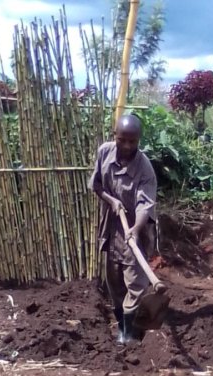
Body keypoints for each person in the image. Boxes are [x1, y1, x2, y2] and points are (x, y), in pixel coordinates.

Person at [89, 114, 157, 344]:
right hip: (112, 225)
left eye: (133, 142)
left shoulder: (144, 168)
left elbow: (144, 203)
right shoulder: (104, 153)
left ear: (139, 140)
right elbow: (96, 185)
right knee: (114, 280)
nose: (127, 146)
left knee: (135, 282)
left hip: (135, 229)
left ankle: (128, 334)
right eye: (122, 140)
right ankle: (120, 322)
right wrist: (111, 200)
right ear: (114, 136)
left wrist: (136, 229)